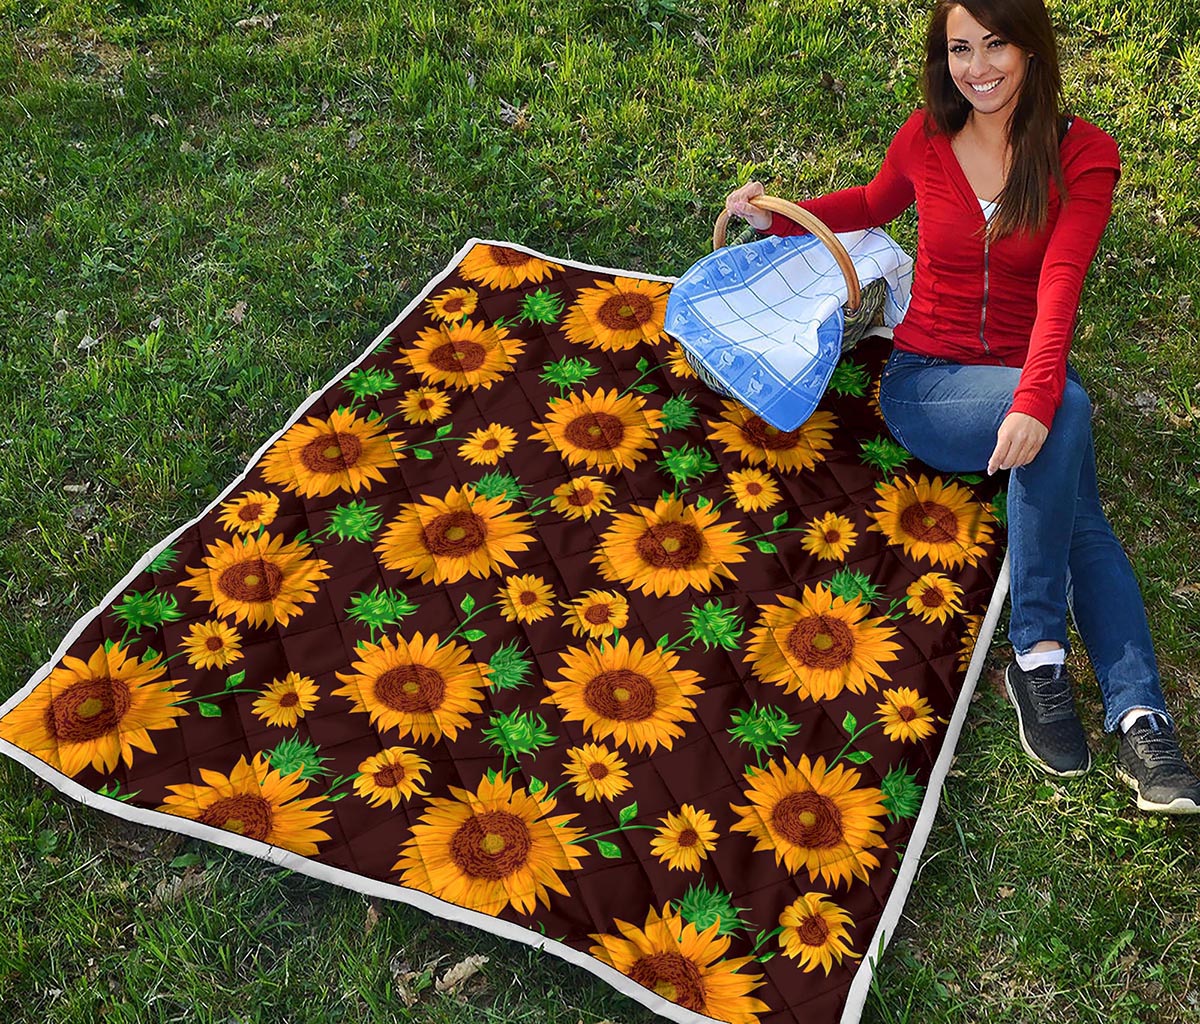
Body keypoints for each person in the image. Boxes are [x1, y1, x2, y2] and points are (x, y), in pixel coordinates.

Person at [724, 0, 1200, 813]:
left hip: (1021, 377)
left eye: (996, 44)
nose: (977, 67)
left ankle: (1135, 713)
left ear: (1032, 49)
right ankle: (1044, 654)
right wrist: (779, 220)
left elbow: (1061, 284)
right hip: (928, 384)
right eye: (960, 49)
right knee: (1070, 423)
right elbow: (872, 204)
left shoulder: (1083, 155)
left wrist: (1037, 396)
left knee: (1076, 487)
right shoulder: (926, 137)